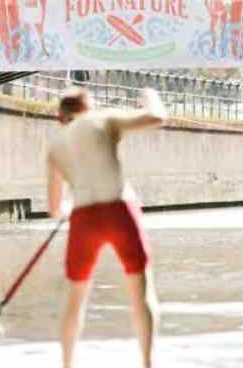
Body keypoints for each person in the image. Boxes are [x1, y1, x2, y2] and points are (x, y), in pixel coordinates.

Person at [46, 87, 166, 368]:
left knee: (76, 298)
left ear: (60, 118)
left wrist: (66, 211)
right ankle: (148, 364)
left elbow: (55, 209)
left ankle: (67, 365)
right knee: (141, 291)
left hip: (83, 217)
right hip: (119, 208)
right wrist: (149, 96)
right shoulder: (103, 120)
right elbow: (158, 117)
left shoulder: (55, 147)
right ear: (88, 108)